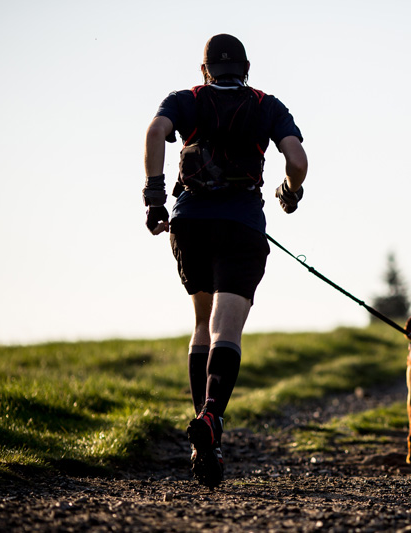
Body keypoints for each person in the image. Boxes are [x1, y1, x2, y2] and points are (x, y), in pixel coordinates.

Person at [142, 34, 308, 487]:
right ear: (247, 68)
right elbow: (296, 158)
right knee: (226, 329)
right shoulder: (267, 106)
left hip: (191, 223)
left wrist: (155, 197)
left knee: (202, 325)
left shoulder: (186, 100)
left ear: (205, 70)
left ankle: (204, 442)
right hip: (242, 227)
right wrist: (289, 193)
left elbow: (156, 132)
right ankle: (212, 417)